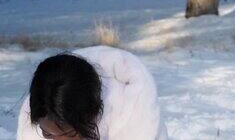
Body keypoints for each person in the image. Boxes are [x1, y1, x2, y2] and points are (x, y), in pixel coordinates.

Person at [17, 46, 167, 140]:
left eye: (70, 134)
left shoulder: (133, 122)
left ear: (92, 114)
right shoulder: (41, 113)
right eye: (47, 134)